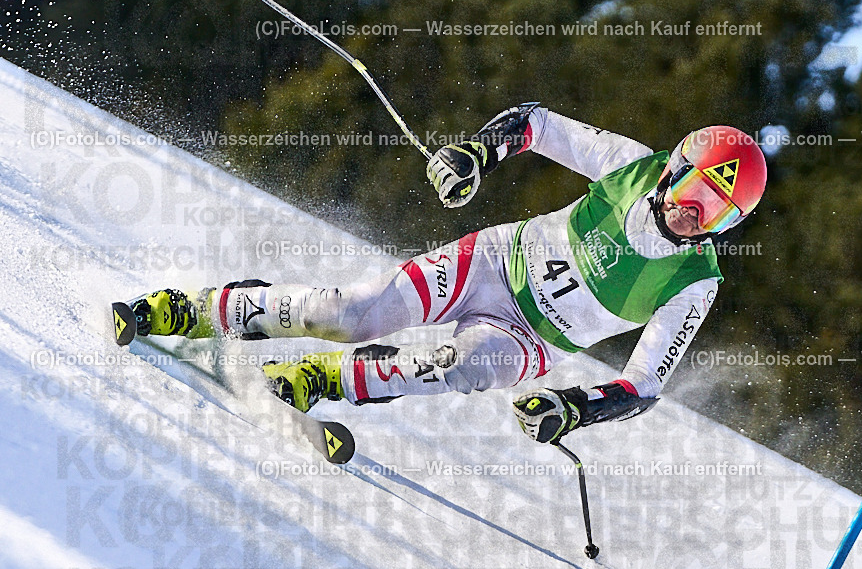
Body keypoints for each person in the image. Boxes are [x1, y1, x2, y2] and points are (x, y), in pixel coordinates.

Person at [125, 104, 766, 444]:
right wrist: (476, 154)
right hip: (493, 264)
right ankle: (201, 310)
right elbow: (536, 123)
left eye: (718, 214)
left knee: (458, 367)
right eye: (696, 193)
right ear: (675, 169)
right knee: (354, 314)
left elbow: (644, 384)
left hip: (533, 340)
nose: (694, 216)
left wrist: (574, 408)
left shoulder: (696, 281)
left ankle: (318, 378)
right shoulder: (630, 165)